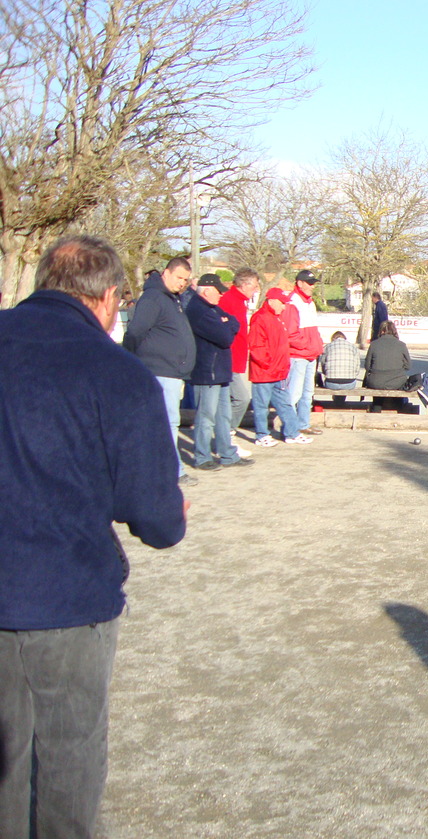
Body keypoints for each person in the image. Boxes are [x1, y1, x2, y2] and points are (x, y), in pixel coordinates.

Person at [0, 235, 186, 839]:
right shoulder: (118, 374)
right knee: (68, 753)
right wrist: (170, 508)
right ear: (108, 298)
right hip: (67, 591)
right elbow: (156, 519)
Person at [122, 256, 196, 485]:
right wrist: (130, 361)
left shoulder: (170, 298)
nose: (182, 283)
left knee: (166, 421)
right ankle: (172, 471)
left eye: (185, 280)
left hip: (171, 370)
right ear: (166, 273)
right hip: (159, 370)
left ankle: (164, 469)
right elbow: (135, 332)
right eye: (179, 277)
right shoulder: (154, 298)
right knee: (168, 422)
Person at [187, 274, 250, 472]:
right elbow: (225, 337)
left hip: (220, 370)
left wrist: (225, 322)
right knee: (206, 416)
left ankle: (227, 454)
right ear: (206, 291)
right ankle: (202, 457)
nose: (221, 295)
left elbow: (234, 323)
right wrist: (225, 324)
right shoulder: (198, 309)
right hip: (207, 371)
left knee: (223, 415)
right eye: (218, 291)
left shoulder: (212, 308)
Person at [249, 288, 307, 445]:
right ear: (271, 301)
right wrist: (268, 364)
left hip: (278, 371)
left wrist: (281, 365)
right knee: (261, 406)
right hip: (264, 372)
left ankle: (292, 433)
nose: (284, 306)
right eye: (282, 303)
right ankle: (262, 435)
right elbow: (256, 346)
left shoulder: (277, 319)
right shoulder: (260, 318)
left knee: (285, 404)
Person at [218, 268, 260, 450]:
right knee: (241, 398)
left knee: (231, 400)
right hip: (229, 358)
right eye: (254, 286)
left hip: (236, 358)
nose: (256, 290)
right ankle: (226, 434)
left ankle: (225, 436)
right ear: (244, 284)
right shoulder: (228, 301)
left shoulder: (239, 301)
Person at [284, 269, 324, 436]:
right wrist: (307, 346)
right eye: (309, 283)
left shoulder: (310, 303)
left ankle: (303, 424)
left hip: (310, 354)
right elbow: (290, 334)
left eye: (313, 283)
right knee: (294, 394)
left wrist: (317, 345)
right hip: (298, 355)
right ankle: (289, 428)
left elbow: (313, 329)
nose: (312, 286)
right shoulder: (292, 302)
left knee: (307, 393)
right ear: (299, 283)